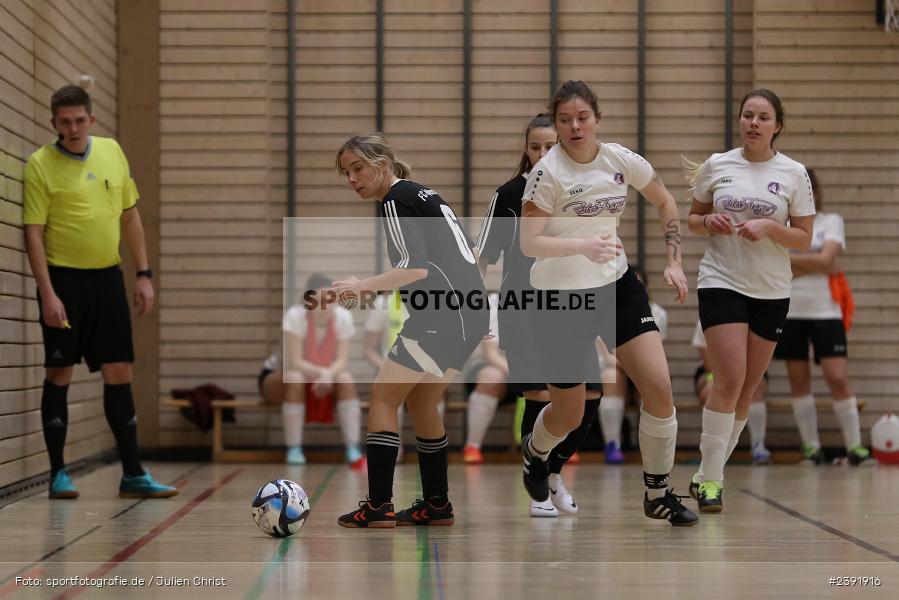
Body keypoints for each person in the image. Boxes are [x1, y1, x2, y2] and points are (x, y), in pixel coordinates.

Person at [518, 81, 698, 526]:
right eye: (565, 120)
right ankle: (535, 453)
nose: (574, 127)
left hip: (615, 287)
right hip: (558, 298)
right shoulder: (546, 173)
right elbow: (528, 243)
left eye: (582, 117)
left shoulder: (621, 160)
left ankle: (658, 492)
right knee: (569, 414)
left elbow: (665, 201)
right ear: (556, 124)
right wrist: (582, 246)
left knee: (659, 388)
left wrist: (674, 260)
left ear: (597, 119)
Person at [23, 85, 177, 499]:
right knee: (59, 371)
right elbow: (33, 234)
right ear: (53, 123)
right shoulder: (39, 165)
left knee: (120, 369)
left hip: (107, 278)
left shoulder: (112, 152)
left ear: (91, 119)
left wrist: (143, 274)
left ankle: (133, 474)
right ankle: (58, 473)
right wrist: (47, 293)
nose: (72, 129)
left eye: (79, 120)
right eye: (64, 122)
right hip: (63, 281)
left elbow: (130, 216)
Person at [333, 133, 489, 528]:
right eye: (346, 172)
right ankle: (437, 504)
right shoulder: (424, 195)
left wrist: (361, 286)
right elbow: (470, 255)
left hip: (441, 317)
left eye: (358, 168)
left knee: (383, 400)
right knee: (422, 404)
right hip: (468, 315)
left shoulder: (395, 200)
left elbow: (414, 268)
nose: (352, 179)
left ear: (383, 165)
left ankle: (378, 506)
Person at [686, 88, 815, 512]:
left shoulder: (794, 173)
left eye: (763, 117)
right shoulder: (717, 165)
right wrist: (709, 220)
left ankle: (706, 473)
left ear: (777, 126)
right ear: (740, 121)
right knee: (728, 378)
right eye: (748, 115)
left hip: (771, 289)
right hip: (721, 280)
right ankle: (713, 483)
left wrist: (770, 228)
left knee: (746, 389)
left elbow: (804, 237)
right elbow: (693, 219)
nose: (754, 123)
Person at [475, 113, 600, 517]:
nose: (543, 153)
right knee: (540, 395)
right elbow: (482, 258)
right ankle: (538, 491)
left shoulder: (580, 191)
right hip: (523, 308)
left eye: (550, 146)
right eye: (535, 147)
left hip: (571, 306)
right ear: (526, 150)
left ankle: (553, 472)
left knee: (590, 395)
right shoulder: (508, 195)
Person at [773, 168, 871, 465]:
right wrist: (814, 264)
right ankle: (811, 447)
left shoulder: (831, 221)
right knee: (798, 380)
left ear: (816, 193)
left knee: (837, 377)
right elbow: (779, 264)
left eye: (810, 190)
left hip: (826, 311)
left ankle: (854, 446)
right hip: (789, 311)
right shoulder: (782, 226)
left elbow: (828, 261)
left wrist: (794, 263)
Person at [258, 273, 365, 468]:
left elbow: (341, 361)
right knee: (295, 377)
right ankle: (294, 448)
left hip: (320, 376)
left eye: (330, 301)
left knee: (346, 379)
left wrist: (327, 374)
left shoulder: (343, 318)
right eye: (319, 301)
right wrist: (323, 374)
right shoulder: (295, 316)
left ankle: (352, 448)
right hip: (281, 376)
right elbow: (295, 362)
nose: (325, 307)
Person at [597, 266, 668, 464]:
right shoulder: (604, 310)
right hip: (617, 367)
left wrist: (637, 370)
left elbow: (655, 353)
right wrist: (630, 367)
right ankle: (612, 443)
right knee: (611, 376)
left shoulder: (657, 313)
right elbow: (606, 354)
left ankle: (651, 447)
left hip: (639, 367)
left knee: (652, 382)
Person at [691, 320, 771, 464]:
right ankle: (712, 453)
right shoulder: (708, 318)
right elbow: (705, 356)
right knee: (711, 390)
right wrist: (725, 378)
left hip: (747, 369)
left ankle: (758, 445)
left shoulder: (756, 317)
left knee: (754, 388)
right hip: (714, 370)